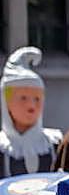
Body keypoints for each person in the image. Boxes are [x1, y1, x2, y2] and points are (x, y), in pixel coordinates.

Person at [1, 47, 61, 175]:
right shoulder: (2, 146)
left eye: (37, 99)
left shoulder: (54, 143)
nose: (31, 105)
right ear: (6, 103)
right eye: (23, 98)